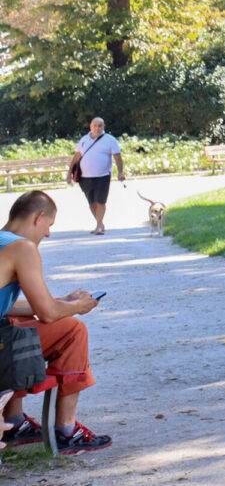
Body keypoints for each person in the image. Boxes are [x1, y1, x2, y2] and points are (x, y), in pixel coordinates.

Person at [0, 191, 111, 453]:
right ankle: (66, 430)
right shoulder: (22, 247)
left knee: (17, 320)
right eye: (49, 225)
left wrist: (62, 301)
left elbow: (10, 306)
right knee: (72, 329)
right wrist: (76, 307)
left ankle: (15, 420)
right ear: (38, 218)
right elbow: (48, 314)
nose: (48, 234)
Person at [68, 117, 126, 236]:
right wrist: (69, 172)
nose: (97, 128)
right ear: (90, 126)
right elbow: (77, 156)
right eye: (95, 125)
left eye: (100, 125)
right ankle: (100, 223)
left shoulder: (110, 140)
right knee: (91, 203)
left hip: (103, 176)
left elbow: (118, 157)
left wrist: (120, 172)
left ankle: (99, 225)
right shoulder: (84, 139)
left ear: (103, 127)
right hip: (85, 177)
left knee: (101, 202)